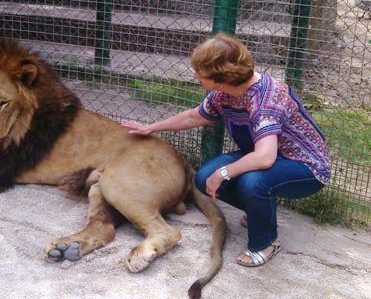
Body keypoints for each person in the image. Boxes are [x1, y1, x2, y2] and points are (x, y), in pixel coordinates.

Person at [121, 32, 330, 267]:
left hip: (306, 167)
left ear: (221, 77)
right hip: (270, 155)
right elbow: (193, 117)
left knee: (251, 182)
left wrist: (224, 173)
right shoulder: (223, 93)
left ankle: (265, 242)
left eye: (200, 70)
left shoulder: (265, 100)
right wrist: (151, 128)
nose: (194, 74)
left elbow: (264, 157)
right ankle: (262, 213)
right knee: (203, 178)